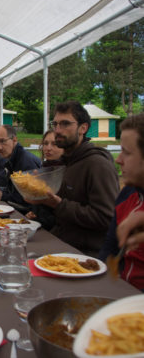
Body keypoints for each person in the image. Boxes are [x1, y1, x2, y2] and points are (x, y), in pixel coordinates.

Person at [28, 101, 119, 257]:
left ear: (83, 128)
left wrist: (58, 204)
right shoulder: (66, 162)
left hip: (86, 255)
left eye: (65, 124)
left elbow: (107, 218)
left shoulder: (97, 164)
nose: (57, 130)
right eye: (55, 124)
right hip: (60, 242)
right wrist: (41, 196)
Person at [99, 113, 144, 290]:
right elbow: (109, 249)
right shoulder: (127, 194)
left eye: (126, 152)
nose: (118, 160)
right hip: (119, 293)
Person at [0, 125, 41, 204]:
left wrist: (3, 196)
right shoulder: (14, 157)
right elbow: (14, 190)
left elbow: (30, 199)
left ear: (14, 139)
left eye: (3, 141)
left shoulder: (26, 162)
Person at [25, 129, 64, 229]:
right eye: (45, 144)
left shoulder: (66, 172)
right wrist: (33, 214)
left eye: (54, 144)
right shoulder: (43, 169)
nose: (48, 148)